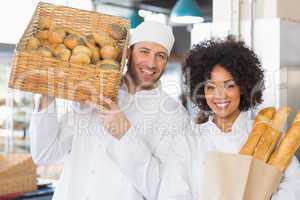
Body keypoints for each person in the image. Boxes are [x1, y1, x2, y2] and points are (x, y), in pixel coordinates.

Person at [29, 21, 190, 200]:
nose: (151, 63)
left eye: (161, 56)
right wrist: (46, 97)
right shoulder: (94, 92)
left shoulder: (174, 115)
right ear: (128, 53)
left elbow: (163, 189)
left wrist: (125, 134)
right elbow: (44, 154)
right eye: (144, 51)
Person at [158, 38, 300, 200]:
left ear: (244, 87)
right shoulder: (187, 141)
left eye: (229, 85)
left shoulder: (270, 135)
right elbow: (172, 194)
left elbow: (295, 184)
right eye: (211, 87)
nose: (220, 95)